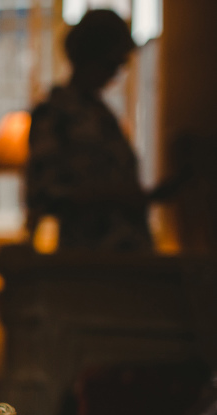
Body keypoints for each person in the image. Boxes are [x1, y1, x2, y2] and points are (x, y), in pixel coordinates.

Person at [25, 9, 177, 251]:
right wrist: (113, 196)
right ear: (89, 56)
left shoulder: (103, 115)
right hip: (88, 262)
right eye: (111, 63)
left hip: (130, 254)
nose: (117, 72)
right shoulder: (55, 114)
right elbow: (43, 194)